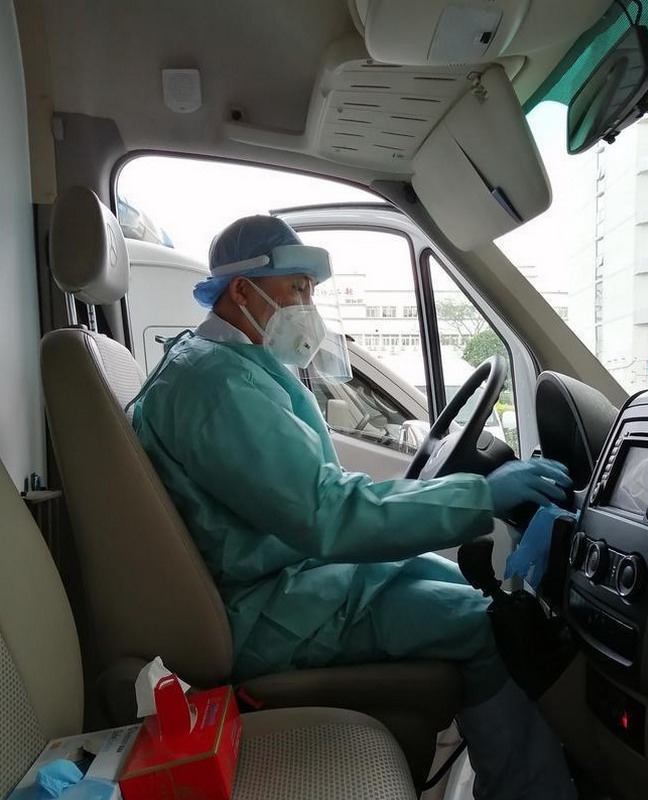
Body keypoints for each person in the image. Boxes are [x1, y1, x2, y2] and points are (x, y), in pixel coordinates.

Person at [132, 214, 577, 799]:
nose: (308, 307)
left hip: (286, 575)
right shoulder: (219, 388)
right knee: (482, 622)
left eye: (310, 292)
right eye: (297, 289)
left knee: (455, 581)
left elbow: (313, 492)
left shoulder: (225, 365)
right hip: (264, 607)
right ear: (242, 290)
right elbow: (327, 512)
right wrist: (482, 495)